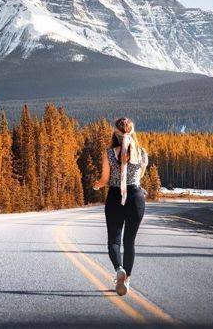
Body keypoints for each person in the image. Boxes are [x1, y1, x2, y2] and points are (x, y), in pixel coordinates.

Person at [93, 117, 148, 296]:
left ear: (115, 133)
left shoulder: (109, 153)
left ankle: (119, 270)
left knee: (114, 240)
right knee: (129, 241)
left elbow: (105, 179)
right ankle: (128, 279)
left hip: (116, 196)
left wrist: (97, 185)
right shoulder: (141, 153)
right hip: (136, 198)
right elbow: (139, 177)